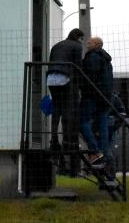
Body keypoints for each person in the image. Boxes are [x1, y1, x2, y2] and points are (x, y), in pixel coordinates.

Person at [47, 28, 84, 175]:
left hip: (50, 78)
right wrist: (79, 84)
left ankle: (53, 139)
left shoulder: (57, 45)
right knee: (69, 111)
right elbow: (77, 65)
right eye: (82, 39)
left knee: (57, 109)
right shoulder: (77, 46)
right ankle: (67, 142)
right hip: (65, 78)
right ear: (79, 37)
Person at [79, 36, 113, 166]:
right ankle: (103, 152)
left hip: (92, 95)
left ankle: (95, 149)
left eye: (90, 42)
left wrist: (83, 88)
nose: (87, 43)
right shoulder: (106, 59)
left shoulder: (93, 56)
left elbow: (89, 77)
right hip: (105, 96)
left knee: (82, 121)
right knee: (102, 123)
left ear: (97, 44)